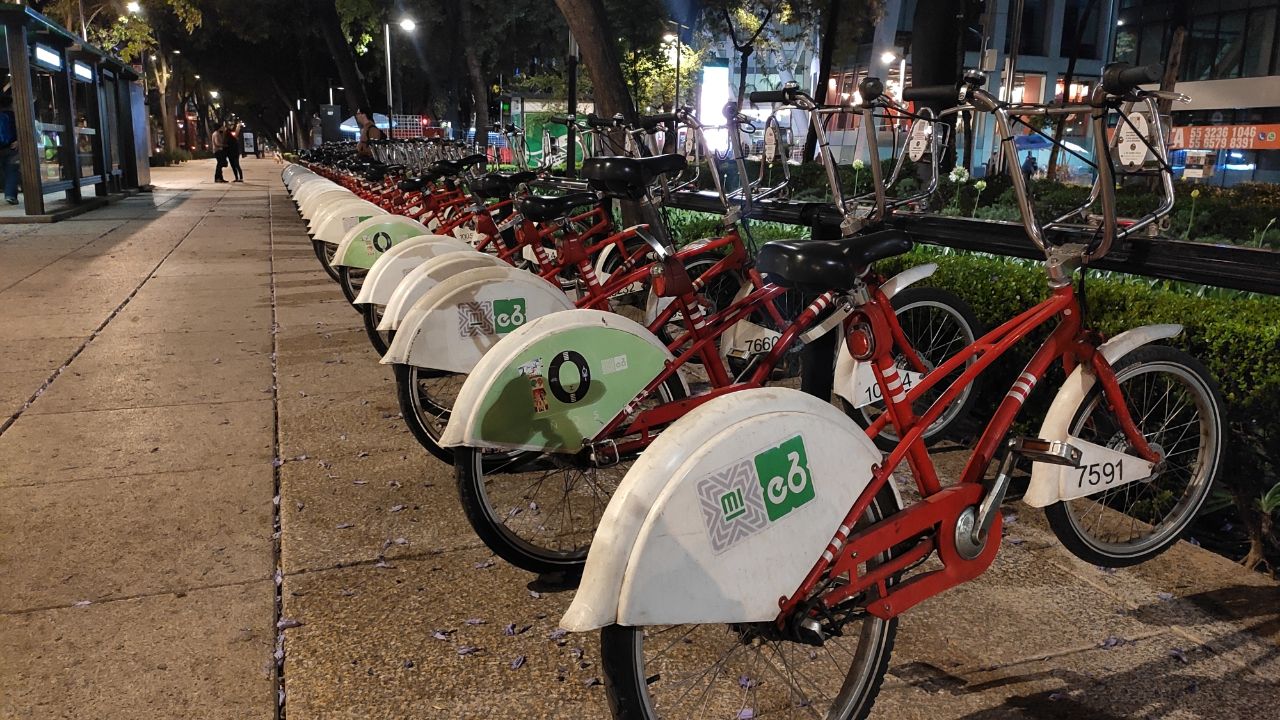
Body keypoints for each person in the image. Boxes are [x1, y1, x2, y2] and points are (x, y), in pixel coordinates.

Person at [0, 96, 19, 204]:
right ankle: (10, 195)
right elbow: (21, 130)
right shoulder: (14, 116)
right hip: (11, 148)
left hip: (1, 148)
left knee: (5, 171)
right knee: (12, 171)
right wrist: (18, 141)